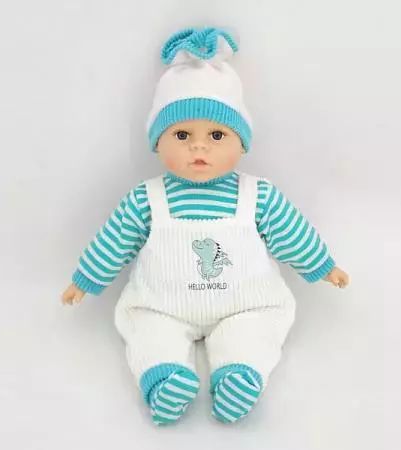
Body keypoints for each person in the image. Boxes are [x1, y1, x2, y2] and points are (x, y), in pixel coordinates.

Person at [61, 26, 350, 426]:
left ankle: (238, 377)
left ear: (241, 143)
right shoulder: (146, 199)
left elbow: (293, 234)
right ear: (157, 142)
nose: (199, 146)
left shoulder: (258, 196)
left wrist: (323, 267)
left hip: (244, 305)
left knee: (253, 333)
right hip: (162, 305)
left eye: (217, 134)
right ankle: (165, 380)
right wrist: (85, 280)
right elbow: (114, 243)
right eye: (182, 134)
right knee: (149, 332)